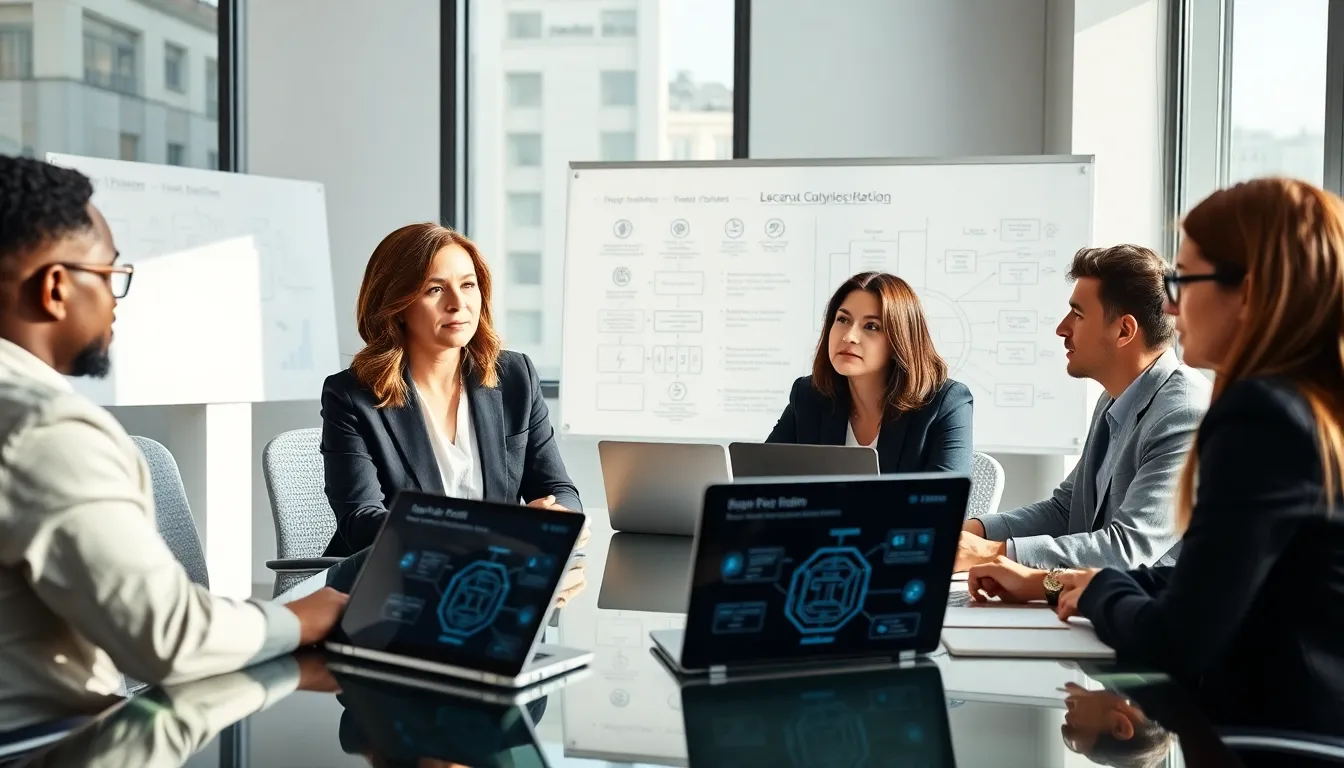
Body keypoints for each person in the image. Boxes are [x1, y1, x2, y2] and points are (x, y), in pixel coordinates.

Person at [968, 178, 1344, 735]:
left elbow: (1179, 630)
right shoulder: (1298, 406)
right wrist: (1040, 574)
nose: (1170, 305)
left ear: (1249, 291)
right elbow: (1204, 580)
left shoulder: (1255, 417)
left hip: (1276, 738)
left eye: (1184, 281)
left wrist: (1087, 585)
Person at [0, 155, 347, 730]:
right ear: (57, 288)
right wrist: (302, 618)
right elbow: (165, 636)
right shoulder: (43, 430)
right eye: (111, 276)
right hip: (50, 744)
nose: (116, 300)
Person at [320, 223, 583, 558]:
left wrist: (558, 518)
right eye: (435, 290)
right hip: (393, 581)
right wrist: (487, 536)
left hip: (494, 575)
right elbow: (361, 522)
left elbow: (557, 487)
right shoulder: (352, 395)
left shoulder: (515, 376)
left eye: (468, 285)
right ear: (397, 305)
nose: (458, 303)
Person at [957, 245, 1210, 571]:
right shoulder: (1114, 398)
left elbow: (1126, 549)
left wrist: (993, 554)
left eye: (1077, 314)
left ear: (1124, 331)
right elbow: (1066, 510)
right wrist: (969, 534)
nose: (1062, 328)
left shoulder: (1183, 415)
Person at [766, 271, 973, 474]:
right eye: (843, 320)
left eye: (871, 326)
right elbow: (759, 479)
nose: (849, 336)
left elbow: (946, 502)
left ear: (899, 342)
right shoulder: (808, 395)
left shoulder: (946, 403)